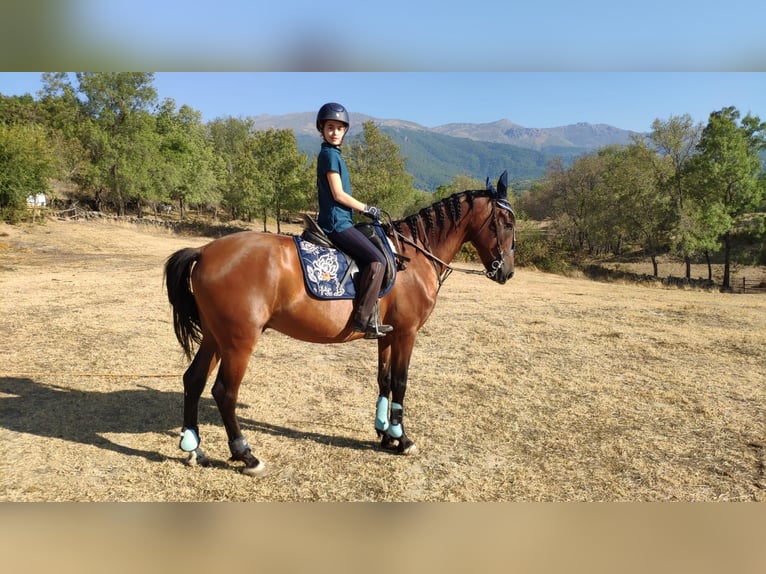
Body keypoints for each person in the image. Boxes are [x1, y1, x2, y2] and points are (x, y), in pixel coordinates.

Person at [315, 102, 393, 339]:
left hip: (341, 221)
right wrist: (367, 208)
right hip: (336, 224)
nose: (335, 132)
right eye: (330, 127)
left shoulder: (334, 155)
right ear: (322, 128)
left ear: (345, 130)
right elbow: (338, 194)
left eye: (339, 128)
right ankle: (364, 320)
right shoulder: (329, 155)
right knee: (378, 260)